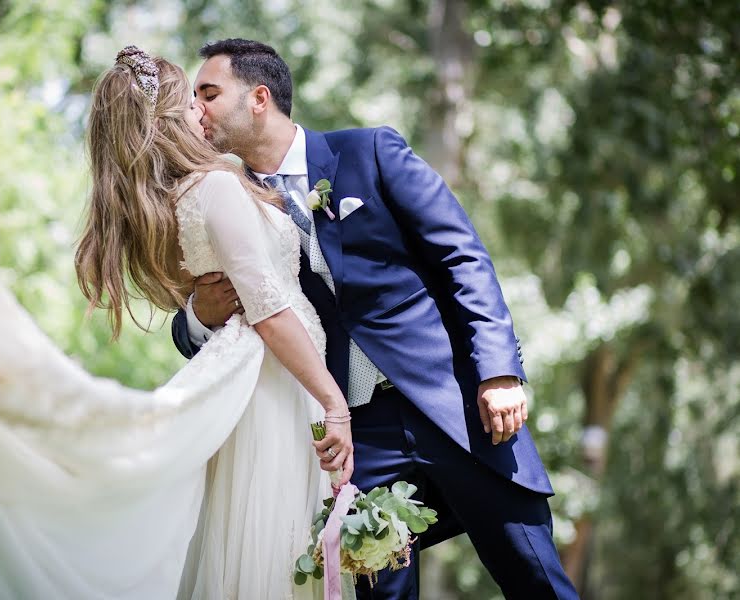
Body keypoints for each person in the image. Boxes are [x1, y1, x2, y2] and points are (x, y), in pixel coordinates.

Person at [171, 39, 579, 599]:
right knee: (376, 592)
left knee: (535, 578)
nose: (197, 109)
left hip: (454, 405)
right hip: (354, 438)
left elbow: (462, 257)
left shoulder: (370, 152)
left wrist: (499, 372)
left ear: (259, 97)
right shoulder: (224, 198)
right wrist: (198, 315)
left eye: (209, 93)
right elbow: (205, 320)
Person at [76, 46, 355, 599]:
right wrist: (334, 404)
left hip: (265, 381)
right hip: (276, 385)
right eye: (191, 102)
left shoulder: (180, 194)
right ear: (167, 121)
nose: (202, 113)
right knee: (273, 549)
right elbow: (269, 311)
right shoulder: (216, 187)